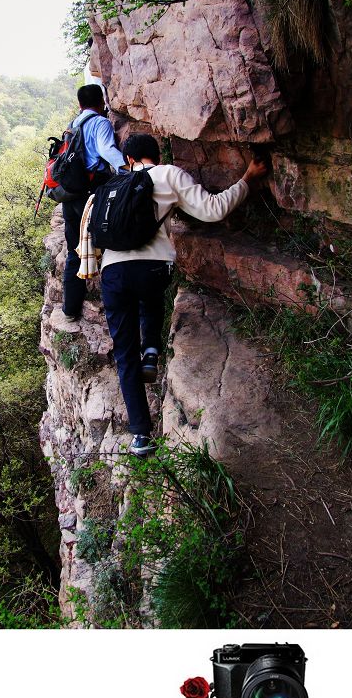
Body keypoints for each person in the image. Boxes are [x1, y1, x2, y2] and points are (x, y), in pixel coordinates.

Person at [99, 132, 268, 456]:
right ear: (156, 158)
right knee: (151, 293)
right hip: (152, 268)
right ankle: (152, 347)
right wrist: (248, 178)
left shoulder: (112, 185)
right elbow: (213, 210)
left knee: (124, 352)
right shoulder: (168, 175)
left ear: (130, 161)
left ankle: (140, 436)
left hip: (113, 271)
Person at [62, 84, 126, 321]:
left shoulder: (72, 125)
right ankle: (114, 306)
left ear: (80, 105)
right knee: (109, 242)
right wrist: (128, 170)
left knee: (74, 250)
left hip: (69, 196)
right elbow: (106, 149)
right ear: (101, 102)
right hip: (91, 193)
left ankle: (70, 310)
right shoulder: (99, 122)